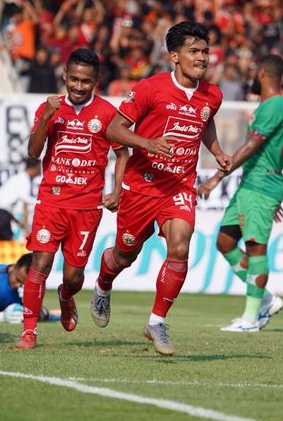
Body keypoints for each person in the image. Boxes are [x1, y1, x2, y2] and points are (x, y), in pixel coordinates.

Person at [91, 21, 232, 356]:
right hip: (142, 186)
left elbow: (205, 121)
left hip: (179, 185)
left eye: (205, 51)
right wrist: (148, 143)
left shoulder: (212, 94)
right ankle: (103, 283)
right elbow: (114, 130)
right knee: (125, 255)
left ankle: (156, 320)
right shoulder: (149, 89)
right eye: (193, 51)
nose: (201, 58)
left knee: (181, 246)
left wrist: (217, 151)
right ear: (174, 56)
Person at [16, 48, 129, 349]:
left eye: (86, 81)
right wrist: (48, 118)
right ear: (64, 76)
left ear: (97, 81)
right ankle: (29, 332)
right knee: (41, 260)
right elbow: (32, 151)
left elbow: (122, 154)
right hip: (51, 199)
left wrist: (117, 190)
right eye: (74, 80)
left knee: (74, 275)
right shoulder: (49, 107)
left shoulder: (107, 113)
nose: (79, 87)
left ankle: (66, 295)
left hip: (87, 205)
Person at [197, 54, 283, 332]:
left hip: (261, 185)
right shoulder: (267, 107)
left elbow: (251, 146)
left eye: (253, 72)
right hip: (252, 185)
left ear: (262, 73)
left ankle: (251, 320)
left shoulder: (276, 104)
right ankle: (267, 299)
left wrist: (215, 178)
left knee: (255, 247)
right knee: (225, 242)